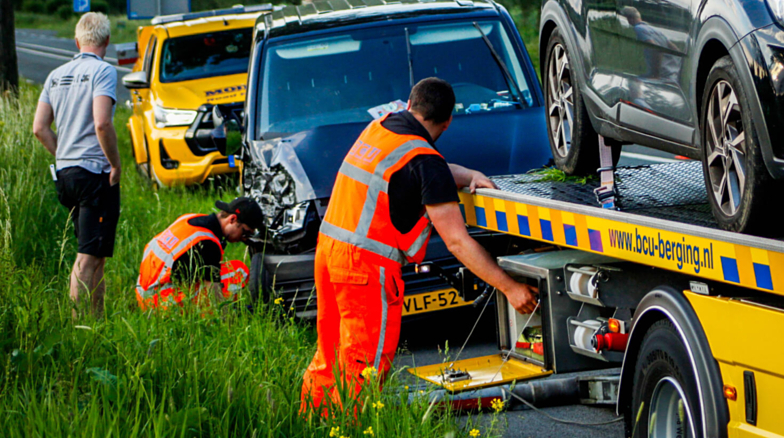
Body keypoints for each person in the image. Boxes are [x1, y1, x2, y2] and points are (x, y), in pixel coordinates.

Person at [301, 77, 538, 412]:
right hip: (364, 267)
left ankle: (314, 426)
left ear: (410, 105)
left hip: (329, 253)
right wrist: (510, 288)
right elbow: (456, 241)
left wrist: (466, 174)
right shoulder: (424, 159)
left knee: (330, 356)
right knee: (362, 364)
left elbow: (423, 170)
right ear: (448, 121)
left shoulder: (381, 127)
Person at [32, 12, 121, 317]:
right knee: (86, 258)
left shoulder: (56, 75)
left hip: (66, 175)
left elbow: (40, 128)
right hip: (94, 174)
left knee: (96, 254)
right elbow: (102, 123)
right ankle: (78, 326)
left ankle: (97, 320)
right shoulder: (104, 72)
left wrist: (63, 154)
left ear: (76, 40)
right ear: (106, 41)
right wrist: (116, 165)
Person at [135, 197, 263, 309]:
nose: (244, 239)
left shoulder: (189, 219)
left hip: (143, 291)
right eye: (245, 232)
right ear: (232, 219)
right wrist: (227, 319)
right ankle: (205, 314)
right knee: (239, 272)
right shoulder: (207, 242)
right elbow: (212, 289)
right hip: (158, 303)